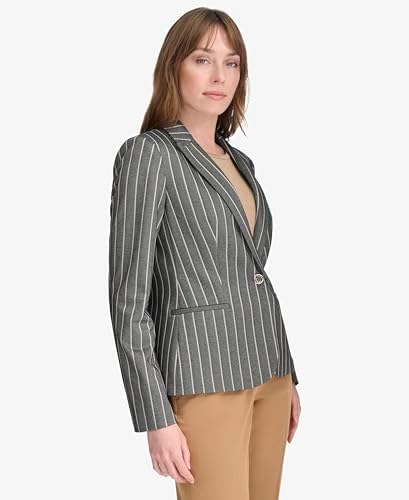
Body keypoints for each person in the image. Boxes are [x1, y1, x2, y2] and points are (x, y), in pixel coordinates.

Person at [108, 7, 301, 500]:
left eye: (232, 63)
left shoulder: (240, 161)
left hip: (270, 371)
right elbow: (129, 300)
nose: (220, 77)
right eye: (202, 59)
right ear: (174, 66)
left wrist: (289, 376)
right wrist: (156, 415)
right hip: (204, 376)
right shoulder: (149, 154)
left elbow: (250, 271)